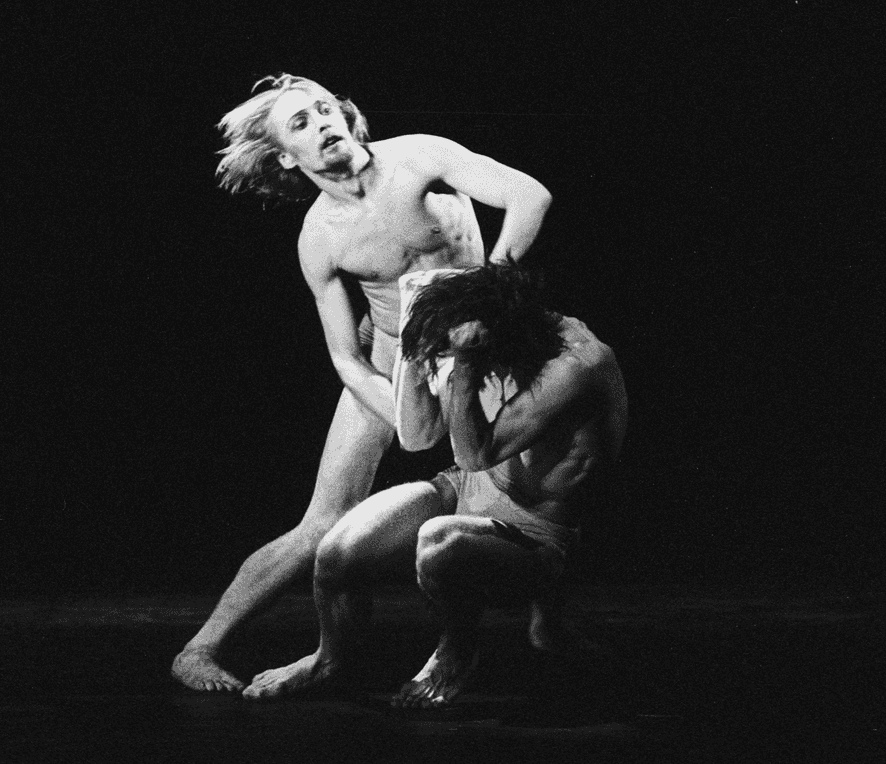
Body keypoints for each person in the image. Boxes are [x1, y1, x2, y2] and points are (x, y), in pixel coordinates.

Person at [172, 75, 552, 692]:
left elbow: (528, 197)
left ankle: (541, 624)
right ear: (285, 158)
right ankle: (201, 646)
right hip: (391, 357)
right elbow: (345, 358)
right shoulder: (320, 238)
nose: (322, 123)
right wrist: (398, 408)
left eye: (326, 109)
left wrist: (489, 298)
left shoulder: (418, 157)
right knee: (320, 524)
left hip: (478, 341)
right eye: (300, 123)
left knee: (522, 493)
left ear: (347, 116)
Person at [240, 264, 628, 706]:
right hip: (464, 489)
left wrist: (463, 365)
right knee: (338, 549)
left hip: (534, 534)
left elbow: (474, 454)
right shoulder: (490, 330)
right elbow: (417, 437)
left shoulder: (575, 365)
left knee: (438, 541)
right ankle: (328, 658)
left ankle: (458, 648)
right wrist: (416, 317)